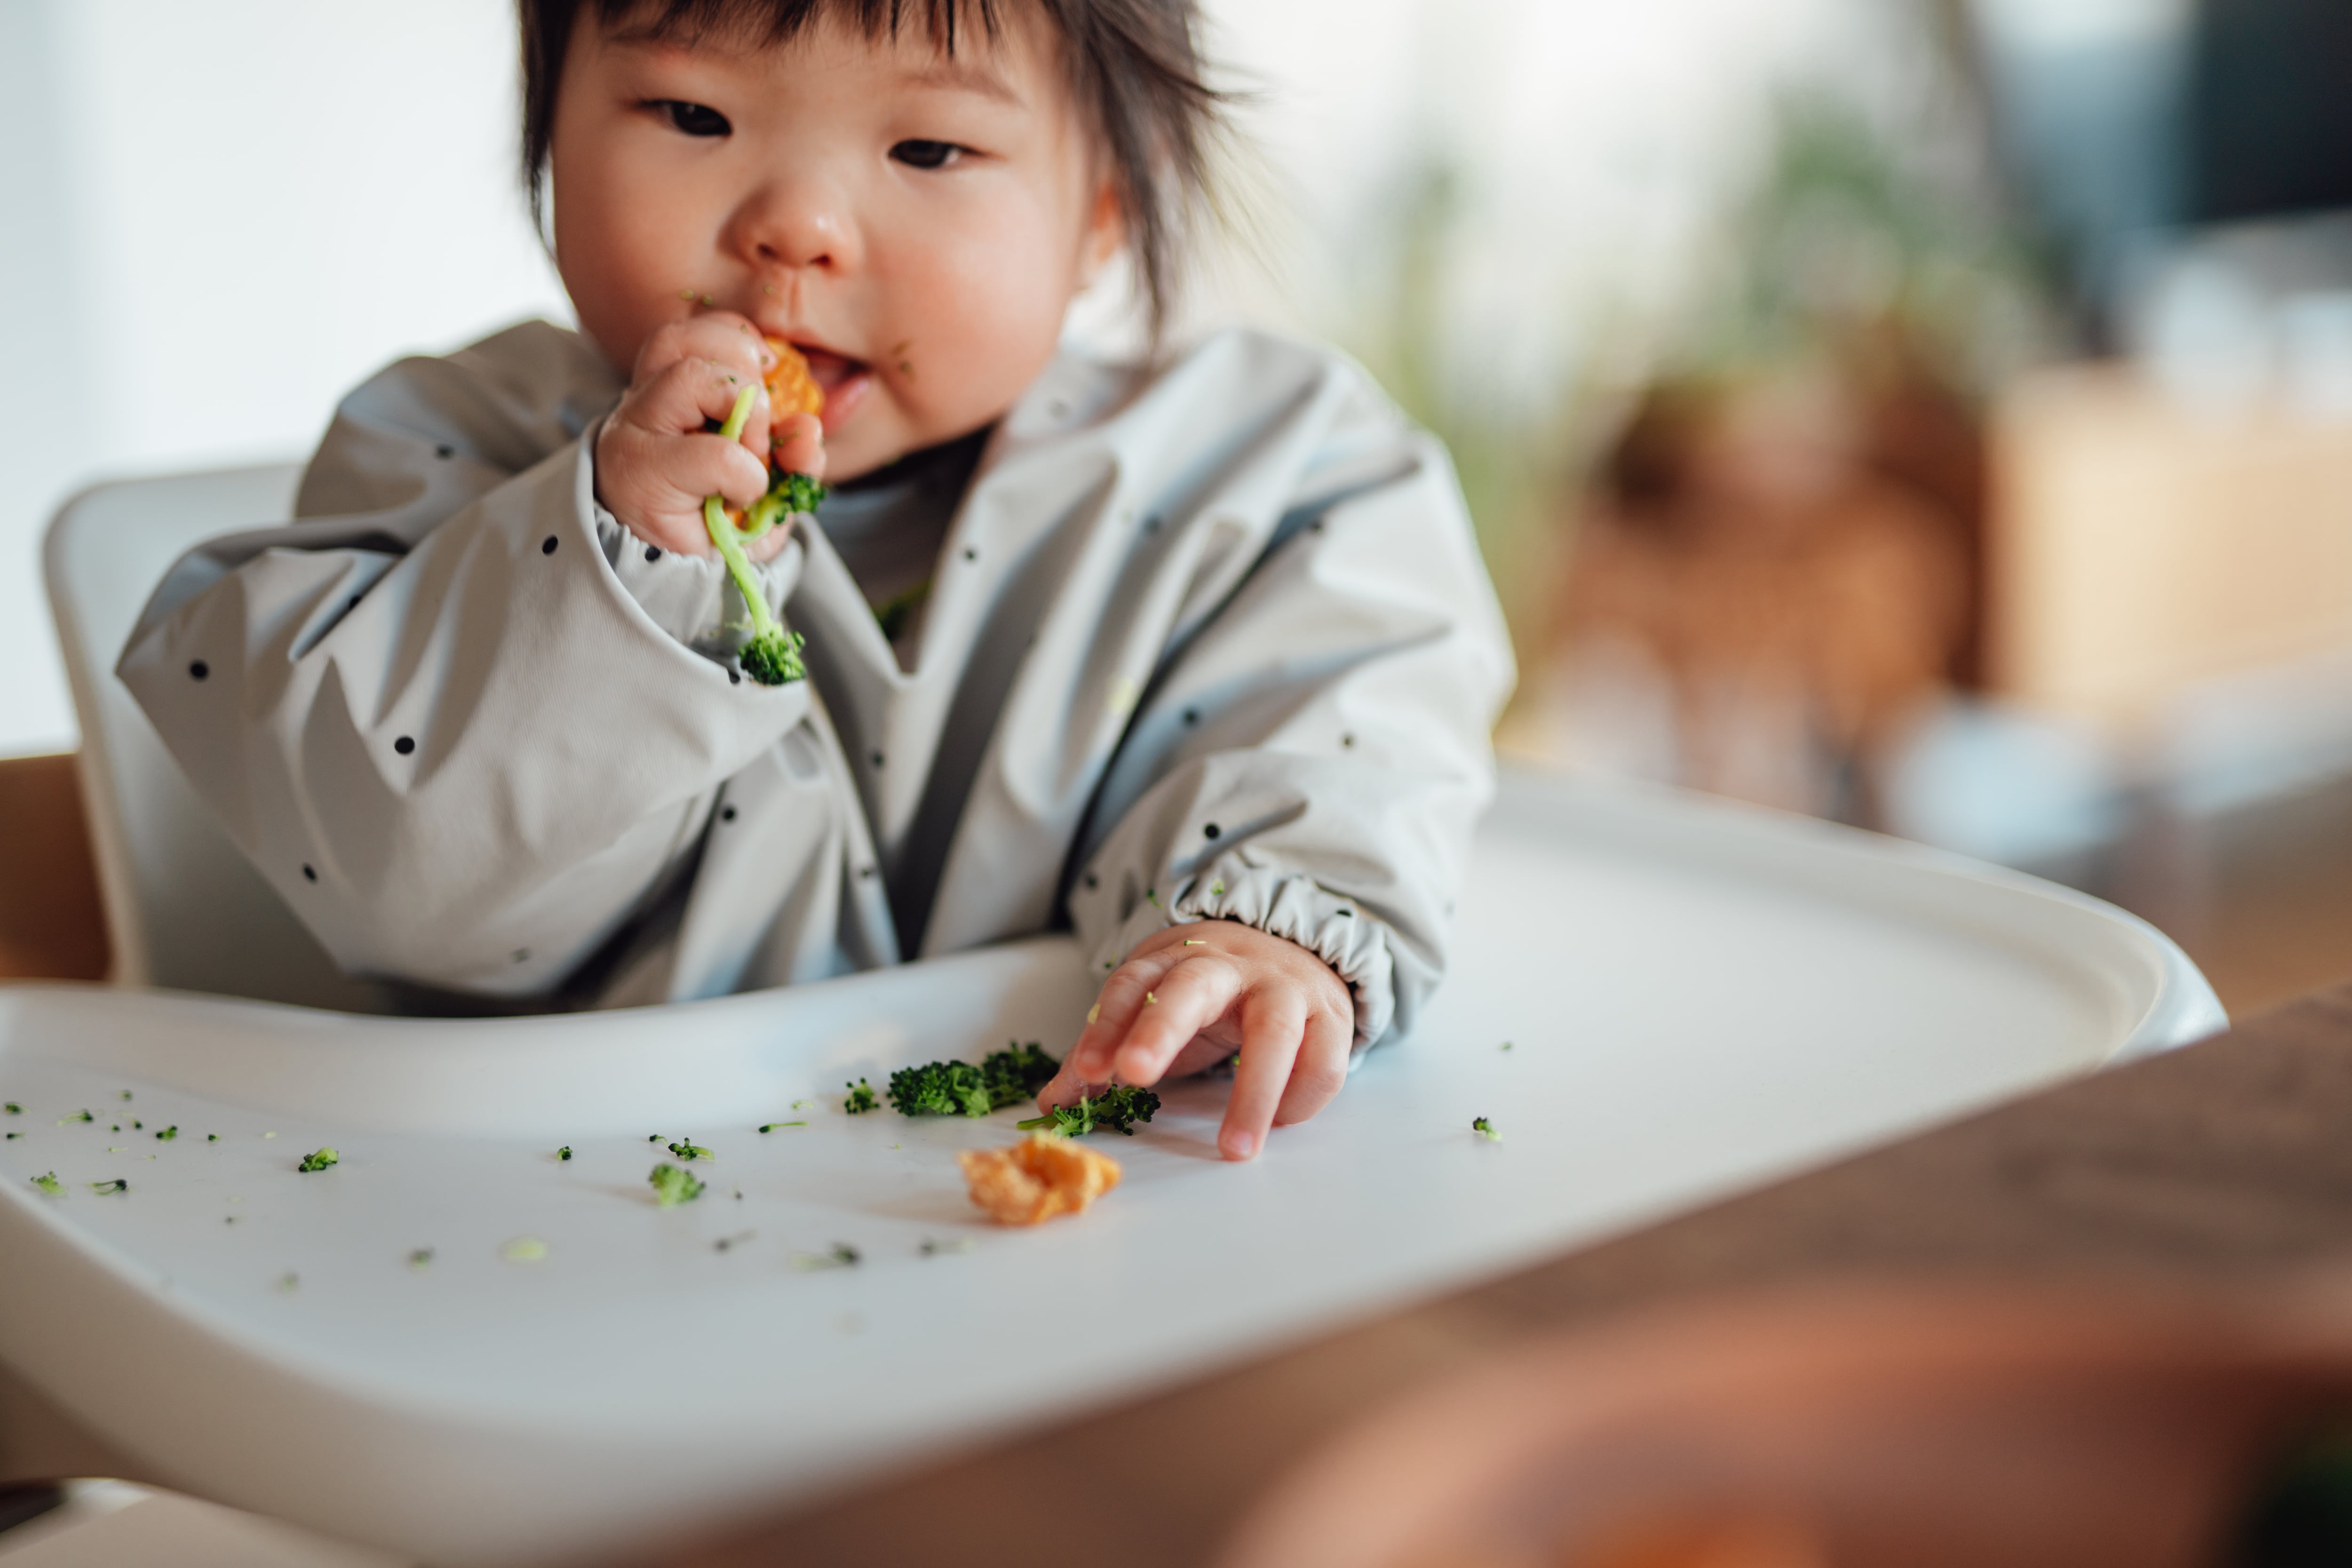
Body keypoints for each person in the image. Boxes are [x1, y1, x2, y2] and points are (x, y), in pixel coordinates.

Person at [117, 0, 1513, 1162]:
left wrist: (1271, 922)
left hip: (1074, 1204)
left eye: (929, 144)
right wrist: (618, 557)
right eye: (692, 117)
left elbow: (1355, 702)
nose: (796, 230)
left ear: (1098, 216)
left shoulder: (1250, 477)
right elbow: (393, 861)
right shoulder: (441, 455)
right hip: (580, 1220)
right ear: (550, 145)